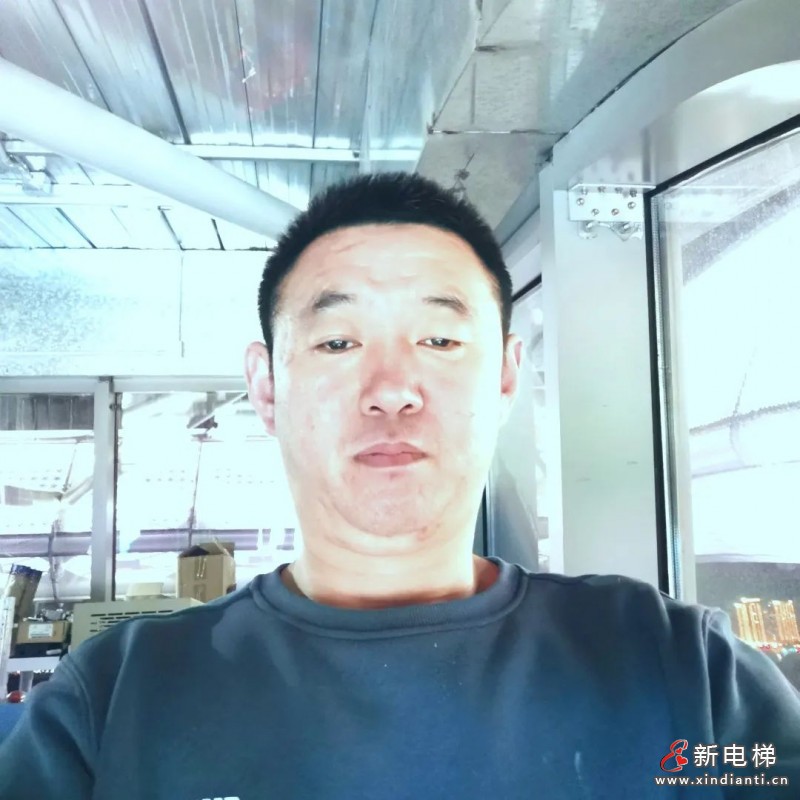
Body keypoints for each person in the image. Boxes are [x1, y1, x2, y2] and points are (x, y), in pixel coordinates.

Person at [0, 173, 798, 799]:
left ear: (506, 377)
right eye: (338, 341)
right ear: (267, 386)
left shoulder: (682, 672)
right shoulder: (114, 702)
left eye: (441, 339)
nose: (391, 389)